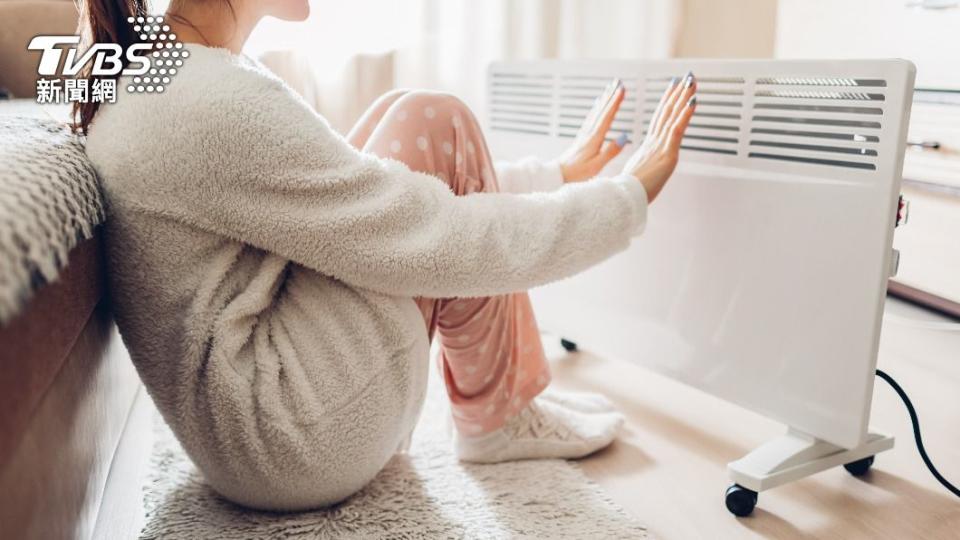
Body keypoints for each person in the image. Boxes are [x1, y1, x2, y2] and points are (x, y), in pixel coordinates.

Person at [79, 0, 697, 511]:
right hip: (298, 438)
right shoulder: (212, 101)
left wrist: (554, 174)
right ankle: (499, 415)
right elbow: (430, 234)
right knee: (434, 119)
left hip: (246, 435)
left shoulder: (166, 77)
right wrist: (624, 199)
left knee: (406, 122)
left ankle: (504, 400)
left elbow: (352, 197)